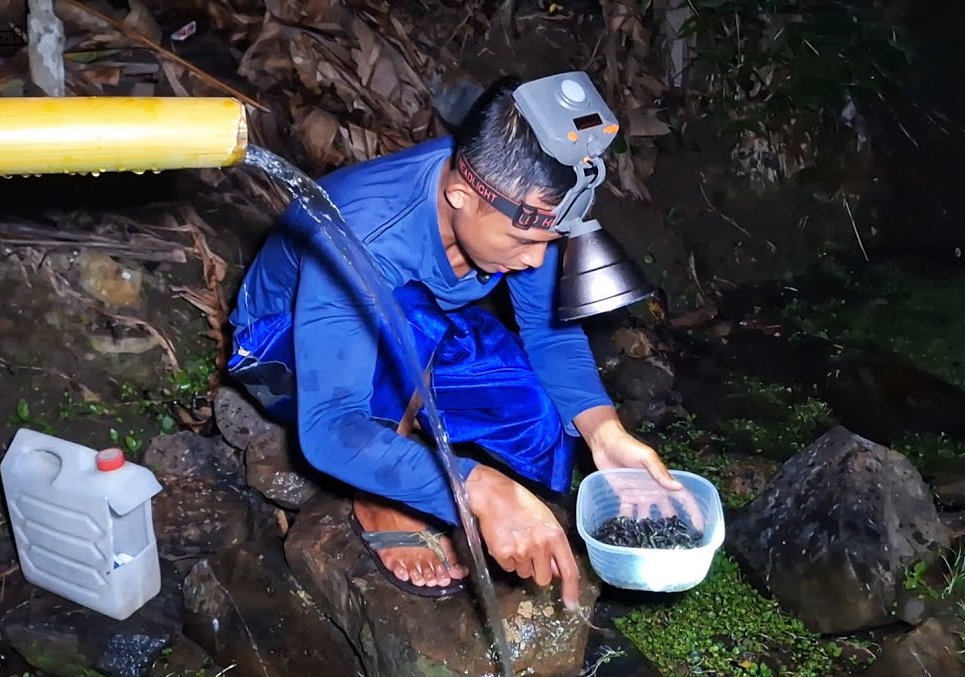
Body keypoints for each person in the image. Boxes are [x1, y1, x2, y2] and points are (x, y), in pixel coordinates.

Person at [227, 74, 696, 609]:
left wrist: (605, 431)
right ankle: (378, 497)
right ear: (459, 197)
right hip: (283, 348)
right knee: (408, 314)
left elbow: (546, 330)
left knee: (540, 422)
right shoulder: (363, 235)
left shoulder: (516, 200)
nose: (534, 262)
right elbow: (330, 429)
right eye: (523, 242)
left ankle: (422, 446)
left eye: (549, 242)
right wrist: (480, 490)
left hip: (417, 321)